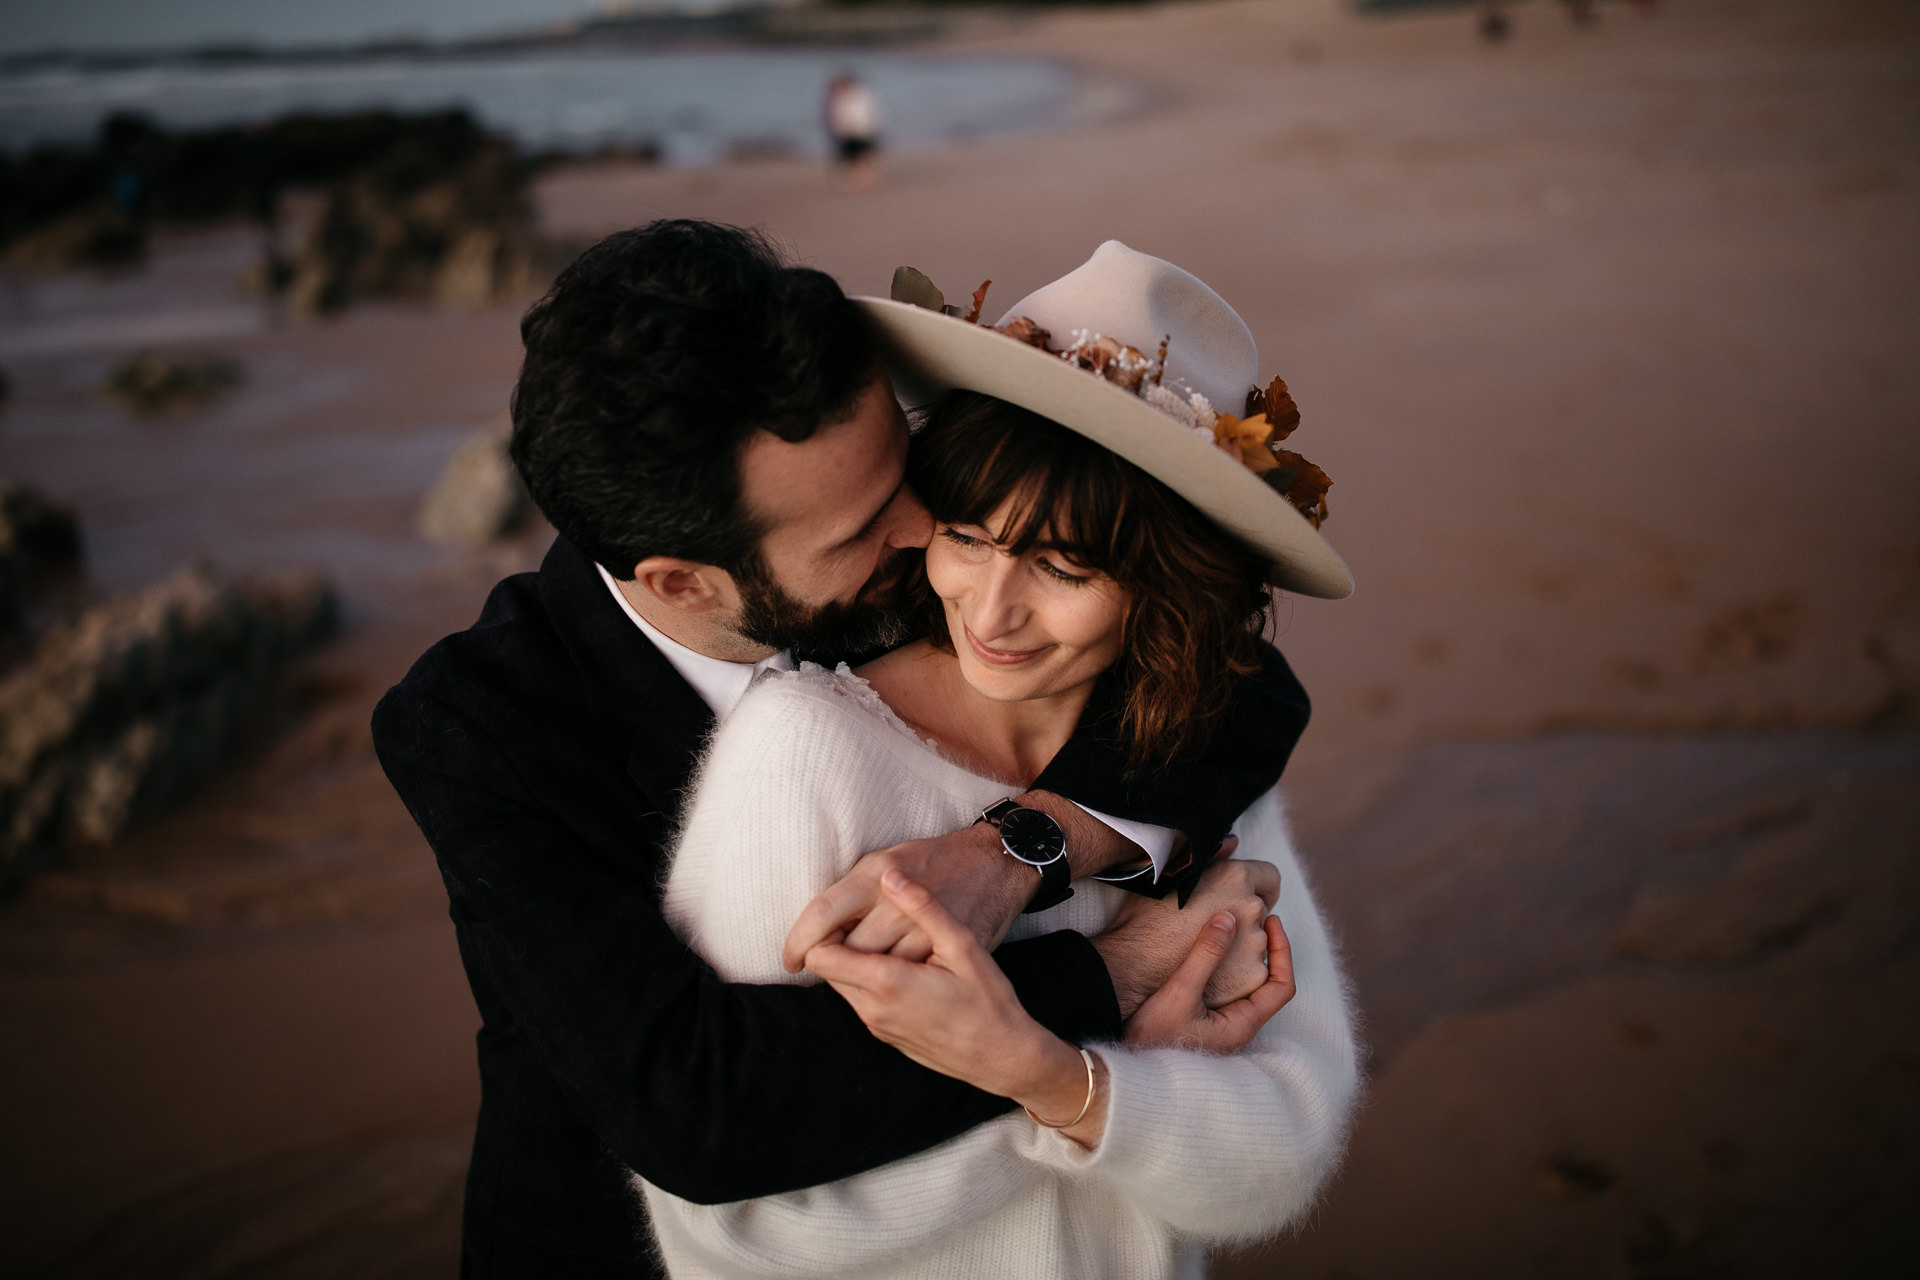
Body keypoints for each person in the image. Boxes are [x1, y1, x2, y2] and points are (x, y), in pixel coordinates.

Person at [373, 220, 1328, 1276]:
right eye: (863, 527)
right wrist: (1112, 980)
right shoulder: (482, 726)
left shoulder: (912, 549)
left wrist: (1024, 847)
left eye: (905, 470)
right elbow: (698, 1105)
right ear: (683, 582)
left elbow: (1234, 676)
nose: (923, 530)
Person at [640, 242, 1360, 1279]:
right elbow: (739, 1225)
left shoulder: (1195, 758)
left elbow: (1286, 1158)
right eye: (968, 537)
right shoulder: (803, 754)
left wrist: (1082, 1091)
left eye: (1063, 567)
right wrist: (1066, 1084)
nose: (991, 610)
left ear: (1174, 584)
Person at [824, 72, 881, 189]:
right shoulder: (837, 98)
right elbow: (835, 116)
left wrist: (873, 126)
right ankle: (857, 179)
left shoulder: (861, 95)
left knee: (862, 155)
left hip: (862, 130)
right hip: (846, 132)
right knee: (850, 157)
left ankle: (864, 178)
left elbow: (870, 112)